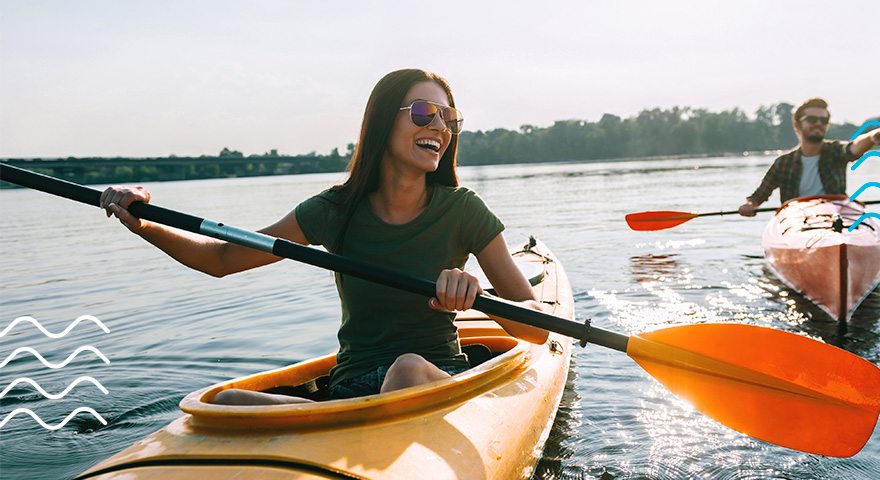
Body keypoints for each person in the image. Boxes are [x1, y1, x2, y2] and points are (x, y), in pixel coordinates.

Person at [99, 69, 548, 405]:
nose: (440, 127)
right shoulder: (335, 210)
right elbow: (221, 258)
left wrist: (476, 296)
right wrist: (143, 222)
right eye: (424, 112)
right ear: (381, 121)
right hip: (350, 389)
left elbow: (535, 327)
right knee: (224, 401)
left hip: (431, 377)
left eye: (449, 118)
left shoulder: (463, 210)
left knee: (406, 369)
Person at [738, 98, 880, 216]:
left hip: (835, 217)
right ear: (797, 125)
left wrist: (872, 137)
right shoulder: (783, 163)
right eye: (812, 120)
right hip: (797, 221)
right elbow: (758, 196)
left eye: (823, 120)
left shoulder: (835, 151)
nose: (818, 123)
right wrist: (749, 204)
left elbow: (854, 147)